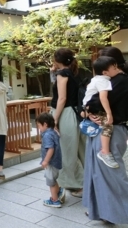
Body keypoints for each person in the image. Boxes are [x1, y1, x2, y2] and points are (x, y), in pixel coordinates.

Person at [83, 47, 128, 224]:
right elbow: (88, 100)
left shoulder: (121, 81)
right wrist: (85, 110)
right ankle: (103, 211)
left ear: (113, 64)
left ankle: (120, 211)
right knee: (99, 172)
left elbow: (94, 101)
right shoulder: (109, 79)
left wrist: (87, 108)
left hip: (112, 129)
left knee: (112, 173)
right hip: (102, 129)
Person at [50, 48, 86, 197]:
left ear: (58, 61)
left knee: (67, 151)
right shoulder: (74, 73)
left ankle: (75, 185)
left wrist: (55, 119)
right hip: (76, 113)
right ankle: (87, 182)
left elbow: (62, 98)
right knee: (81, 150)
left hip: (65, 113)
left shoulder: (62, 74)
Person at [81, 56, 119, 168]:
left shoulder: (96, 79)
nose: (117, 70)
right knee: (108, 126)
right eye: (114, 68)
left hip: (87, 107)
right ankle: (105, 152)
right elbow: (103, 98)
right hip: (91, 107)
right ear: (105, 72)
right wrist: (109, 113)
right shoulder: (103, 81)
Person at [36, 113, 65, 208]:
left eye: (39, 126)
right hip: (56, 162)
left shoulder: (47, 135)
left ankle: (55, 200)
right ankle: (58, 192)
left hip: (51, 163)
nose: (39, 128)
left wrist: (45, 161)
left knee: (51, 182)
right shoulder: (54, 132)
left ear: (45, 124)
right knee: (53, 179)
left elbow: (50, 149)